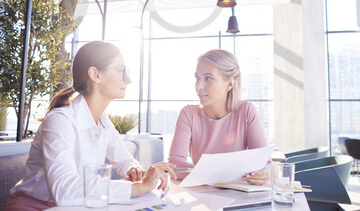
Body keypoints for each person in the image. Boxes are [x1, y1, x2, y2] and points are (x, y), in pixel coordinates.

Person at [4, 41, 176, 211]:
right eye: (121, 71)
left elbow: (124, 160)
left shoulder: (102, 122)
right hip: (34, 207)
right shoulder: (59, 121)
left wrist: (137, 171)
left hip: (77, 207)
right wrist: (139, 187)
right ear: (95, 74)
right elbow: (64, 190)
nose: (129, 79)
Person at [168, 49, 269, 185]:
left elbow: (263, 162)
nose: (199, 86)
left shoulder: (246, 111)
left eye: (208, 78)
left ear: (229, 84)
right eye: (197, 78)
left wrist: (263, 173)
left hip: (239, 195)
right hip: (204, 195)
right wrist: (217, 176)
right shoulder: (188, 114)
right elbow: (174, 163)